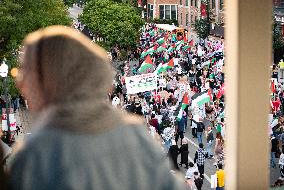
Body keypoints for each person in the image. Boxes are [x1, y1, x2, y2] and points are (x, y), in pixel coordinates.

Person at [9, 26, 186, 190]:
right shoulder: (136, 135)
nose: (20, 83)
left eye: (24, 73)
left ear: (50, 81)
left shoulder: (37, 154)